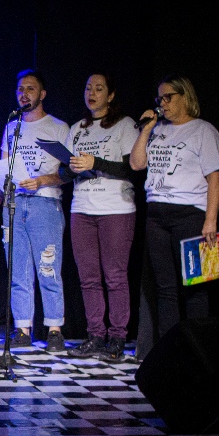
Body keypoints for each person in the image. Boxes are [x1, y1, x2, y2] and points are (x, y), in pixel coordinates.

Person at [129, 74, 219, 341]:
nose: (163, 103)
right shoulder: (157, 130)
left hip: (190, 215)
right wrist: (146, 129)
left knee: (195, 287)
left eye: (168, 97)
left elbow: (215, 177)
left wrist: (210, 220)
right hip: (157, 215)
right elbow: (136, 164)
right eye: (159, 98)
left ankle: (197, 348)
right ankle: (169, 350)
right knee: (165, 288)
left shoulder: (203, 130)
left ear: (185, 97)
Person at [0, 70, 71, 353]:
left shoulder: (58, 127)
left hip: (44, 203)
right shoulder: (12, 127)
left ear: (42, 94)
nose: (24, 94)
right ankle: (23, 329)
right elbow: (3, 172)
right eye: (20, 89)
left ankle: (54, 329)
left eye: (30, 89)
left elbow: (68, 172)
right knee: (17, 270)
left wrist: (43, 180)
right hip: (15, 203)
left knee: (48, 267)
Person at [61, 73, 140, 362]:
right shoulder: (77, 128)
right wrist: (72, 168)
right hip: (82, 208)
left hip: (115, 209)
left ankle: (117, 337)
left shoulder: (125, 125)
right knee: (88, 278)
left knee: (115, 276)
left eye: (98, 88)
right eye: (88, 88)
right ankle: (95, 335)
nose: (91, 93)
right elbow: (63, 171)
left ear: (111, 95)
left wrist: (95, 162)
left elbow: (130, 168)